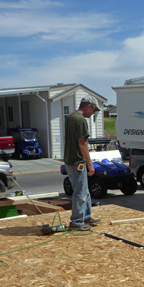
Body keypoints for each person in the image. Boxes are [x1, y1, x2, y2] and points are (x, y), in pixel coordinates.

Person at [64, 97, 102, 231]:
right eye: (93, 110)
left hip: (70, 159)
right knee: (80, 192)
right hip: (77, 161)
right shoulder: (80, 120)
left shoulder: (70, 117)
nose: (92, 113)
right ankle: (77, 222)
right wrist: (90, 164)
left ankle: (86, 217)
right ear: (88, 106)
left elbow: (66, 137)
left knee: (84, 191)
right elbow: (83, 143)